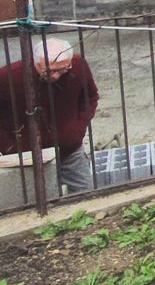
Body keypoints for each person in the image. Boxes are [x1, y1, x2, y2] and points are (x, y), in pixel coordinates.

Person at [0, 37, 99, 193]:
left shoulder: (78, 66)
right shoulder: (8, 77)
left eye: (62, 70)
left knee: (84, 193)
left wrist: (77, 128)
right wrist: (8, 145)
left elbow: (90, 97)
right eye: (48, 70)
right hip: (27, 154)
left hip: (69, 148)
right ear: (35, 62)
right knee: (35, 199)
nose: (55, 76)